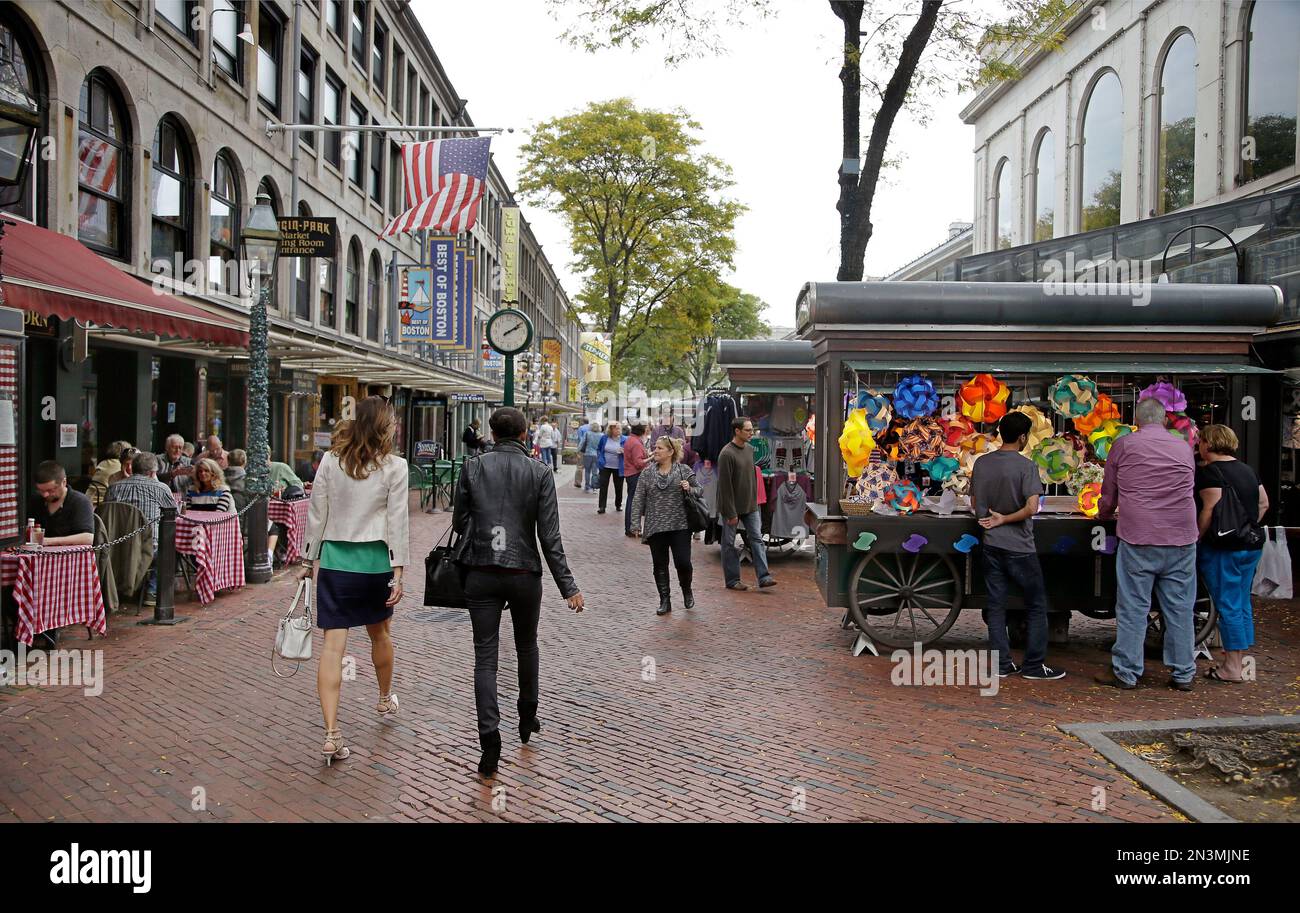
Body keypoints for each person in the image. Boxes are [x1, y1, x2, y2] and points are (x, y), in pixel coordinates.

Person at [452, 406, 584, 776]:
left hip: (480, 569)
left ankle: (489, 737)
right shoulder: (540, 472)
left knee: (486, 657)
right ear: (526, 435)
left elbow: (459, 521)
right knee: (526, 645)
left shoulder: (473, 466)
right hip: (524, 571)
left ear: (492, 434)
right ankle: (528, 716)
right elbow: (550, 536)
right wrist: (568, 586)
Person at [300, 395, 410, 766]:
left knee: (333, 647)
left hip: (335, 563)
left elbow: (318, 512)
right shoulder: (395, 467)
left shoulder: (331, 462)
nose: (395, 425)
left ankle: (331, 734)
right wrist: (398, 572)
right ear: (383, 426)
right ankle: (383, 696)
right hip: (375, 564)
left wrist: (307, 559)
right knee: (380, 634)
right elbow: (398, 521)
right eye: (392, 420)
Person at [1096, 397, 1199, 691]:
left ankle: (1126, 671)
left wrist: (1103, 513)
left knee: (1133, 606)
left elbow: (1109, 493)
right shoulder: (1183, 446)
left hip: (1138, 535)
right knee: (1180, 607)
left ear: (1136, 421)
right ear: (1165, 420)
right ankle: (1183, 673)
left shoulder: (1125, 445)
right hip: (1181, 535)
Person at [971, 411, 1065, 680]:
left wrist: (992, 519)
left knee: (996, 605)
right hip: (1020, 547)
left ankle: (1002, 664)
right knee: (1036, 605)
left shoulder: (982, 464)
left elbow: (975, 505)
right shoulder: (1026, 466)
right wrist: (1006, 519)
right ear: (1023, 437)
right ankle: (1034, 665)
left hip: (990, 545)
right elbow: (1032, 507)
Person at [1195, 424, 1269, 684]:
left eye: (1201, 441)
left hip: (1223, 548)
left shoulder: (1210, 473)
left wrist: (1197, 537)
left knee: (1227, 604)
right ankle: (1240, 656)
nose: (1199, 445)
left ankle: (1233, 667)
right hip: (1251, 545)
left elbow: (1209, 511)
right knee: (1241, 601)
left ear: (1209, 443)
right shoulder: (1247, 470)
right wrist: (1245, 525)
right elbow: (1264, 503)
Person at [630, 436, 701, 616]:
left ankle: (686, 589)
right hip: (655, 526)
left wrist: (689, 488)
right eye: (655, 447)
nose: (655, 451)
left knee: (683, 562)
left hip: (680, 525)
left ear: (671, 452)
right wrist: (635, 523)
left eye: (660, 448)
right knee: (659, 564)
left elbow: (699, 490)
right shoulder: (647, 473)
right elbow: (638, 497)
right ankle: (665, 600)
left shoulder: (683, 470)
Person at [105, 451, 175, 606]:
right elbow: (172, 516)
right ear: (152, 472)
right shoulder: (160, 488)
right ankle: (152, 589)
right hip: (148, 547)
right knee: (167, 547)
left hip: (116, 546)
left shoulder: (113, 488)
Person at [716, 416, 775, 591]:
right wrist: (731, 512)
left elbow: (750, 478)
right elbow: (725, 487)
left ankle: (764, 577)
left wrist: (756, 501)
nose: (752, 433)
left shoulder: (749, 450)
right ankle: (732, 580)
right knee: (728, 543)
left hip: (750, 505)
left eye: (752, 429)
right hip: (732, 507)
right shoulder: (726, 454)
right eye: (748, 430)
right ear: (737, 431)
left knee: (757, 539)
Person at [29, 461, 94, 547]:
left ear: (64, 482)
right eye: (41, 490)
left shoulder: (80, 501)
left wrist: (47, 541)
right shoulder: (36, 501)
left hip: (70, 556)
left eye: (50, 490)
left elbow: (88, 537)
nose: (45, 495)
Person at [622, 422, 649, 537]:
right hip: (635, 474)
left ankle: (630, 527)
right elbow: (639, 463)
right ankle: (631, 528)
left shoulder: (630, 440)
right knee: (634, 501)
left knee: (631, 500)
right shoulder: (636, 443)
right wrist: (651, 458)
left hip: (630, 473)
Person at [595, 420, 626, 514]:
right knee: (603, 486)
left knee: (619, 486)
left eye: (619, 428)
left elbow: (629, 452)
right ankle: (602, 507)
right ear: (611, 429)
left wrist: (624, 452)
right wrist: (600, 458)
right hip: (605, 466)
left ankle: (618, 504)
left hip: (618, 467)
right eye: (616, 428)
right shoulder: (604, 438)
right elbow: (599, 449)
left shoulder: (624, 439)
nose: (618, 430)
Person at [580, 420, 602, 492]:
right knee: (595, 472)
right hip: (597, 455)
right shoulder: (601, 435)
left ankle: (587, 486)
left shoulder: (587, 433)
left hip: (587, 454)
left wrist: (578, 451)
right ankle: (594, 487)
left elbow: (582, 443)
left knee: (587, 471)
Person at [573, 420, 591, 489]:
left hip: (582, 450)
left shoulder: (581, 428)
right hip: (590, 450)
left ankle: (578, 482)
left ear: (582, 422)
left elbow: (581, 439)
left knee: (580, 466)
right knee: (589, 468)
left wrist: (578, 451)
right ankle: (588, 484)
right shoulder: (591, 427)